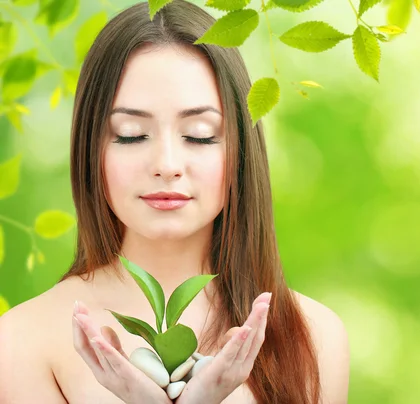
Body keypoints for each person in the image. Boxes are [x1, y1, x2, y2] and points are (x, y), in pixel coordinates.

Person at [0, 1, 350, 403]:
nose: (166, 165)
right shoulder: (26, 337)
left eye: (199, 134)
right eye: (131, 134)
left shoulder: (314, 335)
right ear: (89, 150)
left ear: (241, 151)